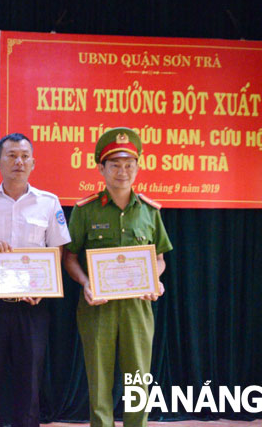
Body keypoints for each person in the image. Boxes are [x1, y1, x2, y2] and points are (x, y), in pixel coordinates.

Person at [0, 132, 71, 427]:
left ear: (33, 162)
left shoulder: (49, 202)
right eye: (11, 156)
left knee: (28, 383)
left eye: (24, 156)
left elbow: (57, 249)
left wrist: (44, 289)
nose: (18, 161)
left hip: (32, 306)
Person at [63, 127, 173, 427]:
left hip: (137, 307)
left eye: (129, 164)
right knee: (99, 381)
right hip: (97, 307)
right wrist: (86, 283)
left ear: (137, 167)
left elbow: (159, 259)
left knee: (139, 380)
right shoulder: (85, 211)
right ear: (101, 168)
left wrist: (155, 279)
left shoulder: (150, 211)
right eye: (115, 165)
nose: (122, 171)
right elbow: (69, 256)